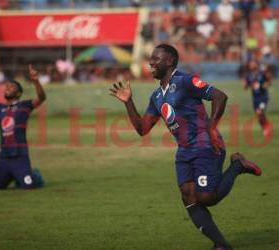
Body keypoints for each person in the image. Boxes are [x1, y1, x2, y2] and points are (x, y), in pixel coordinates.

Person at [109, 44, 262, 250]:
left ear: (170, 61)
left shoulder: (185, 81)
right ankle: (221, 245)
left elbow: (219, 96)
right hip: (184, 150)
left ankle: (237, 165)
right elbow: (142, 129)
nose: (151, 62)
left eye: (156, 59)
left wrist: (212, 127)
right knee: (189, 197)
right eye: (150, 59)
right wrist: (128, 102)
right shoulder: (156, 97)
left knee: (206, 197)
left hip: (205, 144)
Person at [0, 65, 46, 189]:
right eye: (7, 86)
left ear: (19, 93)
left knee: (28, 186)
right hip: (4, 156)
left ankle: (34, 175)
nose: (8, 87)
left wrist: (36, 80)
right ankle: (14, 175)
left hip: (20, 156)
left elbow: (41, 98)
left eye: (12, 86)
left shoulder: (25, 106)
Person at [244, 59, 272, 136]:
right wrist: (246, 85)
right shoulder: (248, 75)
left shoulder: (262, 73)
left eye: (253, 64)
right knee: (259, 115)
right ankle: (265, 127)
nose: (251, 65)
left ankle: (267, 127)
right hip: (255, 98)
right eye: (250, 64)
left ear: (257, 64)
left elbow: (269, 82)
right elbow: (245, 86)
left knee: (260, 112)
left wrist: (264, 85)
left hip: (263, 97)